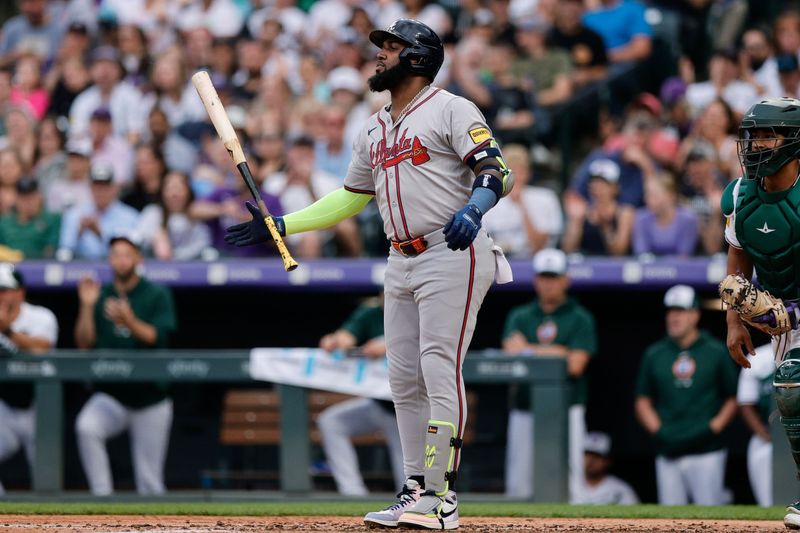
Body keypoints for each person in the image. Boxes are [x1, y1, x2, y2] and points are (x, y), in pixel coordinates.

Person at [224, 18, 513, 530]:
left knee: (437, 366)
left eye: (393, 47)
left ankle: (443, 497)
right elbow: (352, 195)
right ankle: (415, 488)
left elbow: (495, 169)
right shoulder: (375, 125)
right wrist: (283, 224)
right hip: (399, 258)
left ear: (419, 58)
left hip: (452, 247)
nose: (380, 53)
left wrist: (475, 209)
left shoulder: (451, 108)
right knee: (401, 378)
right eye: (382, 45)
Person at [720, 96, 800, 528]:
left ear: (793, 141)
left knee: (794, 385)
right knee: (791, 396)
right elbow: (737, 265)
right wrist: (734, 321)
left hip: (793, 311)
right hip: (784, 313)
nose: (756, 145)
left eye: (768, 135)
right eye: (752, 135)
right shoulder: (739, 194)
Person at [73, 233, 177, 496]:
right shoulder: (102, 294)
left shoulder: (156, 293)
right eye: (115, 255)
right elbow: (84, 343)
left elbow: (158, 337)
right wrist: (86, 306)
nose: (120, 260)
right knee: (86, 427)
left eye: (126, 254)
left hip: (151, 398)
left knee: (150, 483)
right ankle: (102, 496)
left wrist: (129, 320)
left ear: (138, 258)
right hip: (113, 395)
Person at [501, 248, 596, 500]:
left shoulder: (580, 317)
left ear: (566, 279)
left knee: (573, 479)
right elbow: (511, 355)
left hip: (568, 408)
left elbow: (576, 365)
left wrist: (529, 350)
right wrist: (559, 352)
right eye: (544, 277)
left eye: (554, 277)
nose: (548, 283)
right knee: (519, 481)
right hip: (525, 407)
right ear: (535, 280)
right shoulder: (520, 315)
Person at [635, 284, 738, 505]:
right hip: (668, 449)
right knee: (670, 519)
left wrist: (715, 426)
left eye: (680, 311)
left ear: (694, 315)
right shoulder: (655, 353)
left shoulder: (715, 350)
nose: (674, 317)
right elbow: (642, 400)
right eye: (671, 311)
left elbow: (733, 396)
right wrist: (659, 430)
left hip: (706, 450)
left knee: (711, 517)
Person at [316, 295, 404, 496]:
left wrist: (390, 346)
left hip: (412, 410)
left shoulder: (418, 310)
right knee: (331, 422)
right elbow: (347, 337)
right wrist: (336, 341)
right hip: (380, 405)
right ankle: (353, 493)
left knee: (409, 481)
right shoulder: (373, 312)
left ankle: (413, 505)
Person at [0, 263, 58, 494]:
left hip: (40, 408)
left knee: (47, 480)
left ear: (20, 292)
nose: (1, 296)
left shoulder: (40, 317)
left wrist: (8, 331)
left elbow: (42, 347)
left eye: (5, 289)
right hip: (5, 408)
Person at [736, 344, 774, 508]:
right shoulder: (759, 357)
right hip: (768, 439)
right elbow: (745, 403)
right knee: (769, 503)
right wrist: (765, 434)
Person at [570, 431, 639, 505]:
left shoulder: (620, 490)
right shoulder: (569, 484)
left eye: (597, 456)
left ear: (608, 461)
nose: (591, 460)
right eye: (587, 454)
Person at [0, 176, 60, 259]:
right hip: (9, 267)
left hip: (39, 267)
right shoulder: (4, 223)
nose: (28, 202)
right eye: (23, 198)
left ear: (39, 197)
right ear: (16, 199)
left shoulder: (52, 219)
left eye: (32, 197)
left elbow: (50, 250)